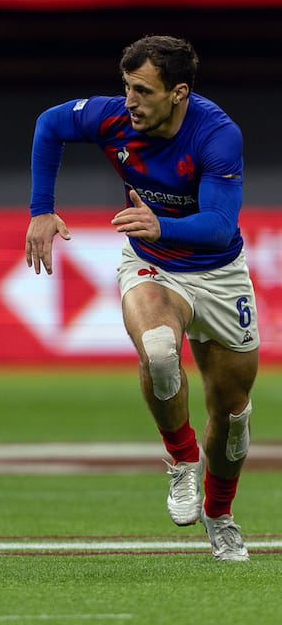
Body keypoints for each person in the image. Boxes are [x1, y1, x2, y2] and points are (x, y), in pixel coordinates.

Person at [25, 35, 259, 561]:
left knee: (233, 413)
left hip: (220, 275)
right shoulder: (112, 117)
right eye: (126, 87)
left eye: (142, 91)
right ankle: (180, 461)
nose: (129, 101)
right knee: (157, 350)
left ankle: (220, 515)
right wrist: (42, 207)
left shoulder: (218, 135)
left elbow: (222, 227)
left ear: (179, 93)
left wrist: (164, 224)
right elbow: (49, 125)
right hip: (153, 265)